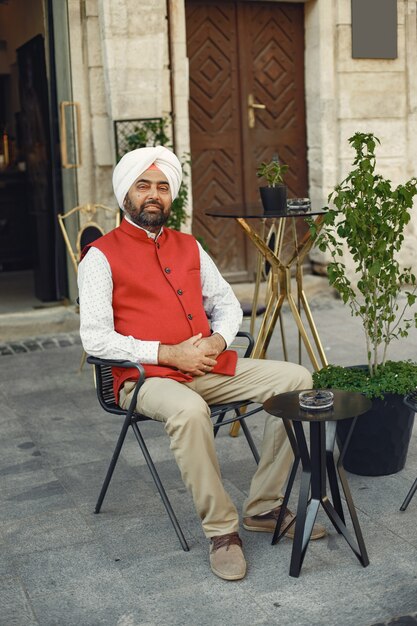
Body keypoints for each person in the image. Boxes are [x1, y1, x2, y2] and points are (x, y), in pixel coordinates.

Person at [78, 146, 325, 581]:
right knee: (190, 411)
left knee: (297, 378)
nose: (154, 195)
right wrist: (170, 353)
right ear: (125, 195)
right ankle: (222, 532)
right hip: (145, 379)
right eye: (143, 186)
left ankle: (265, 506)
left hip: (207, 368)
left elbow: (228, 304)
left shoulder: (189, 245)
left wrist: (215, 340)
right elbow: (94, 337)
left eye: (162, 187)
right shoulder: (100, 256)